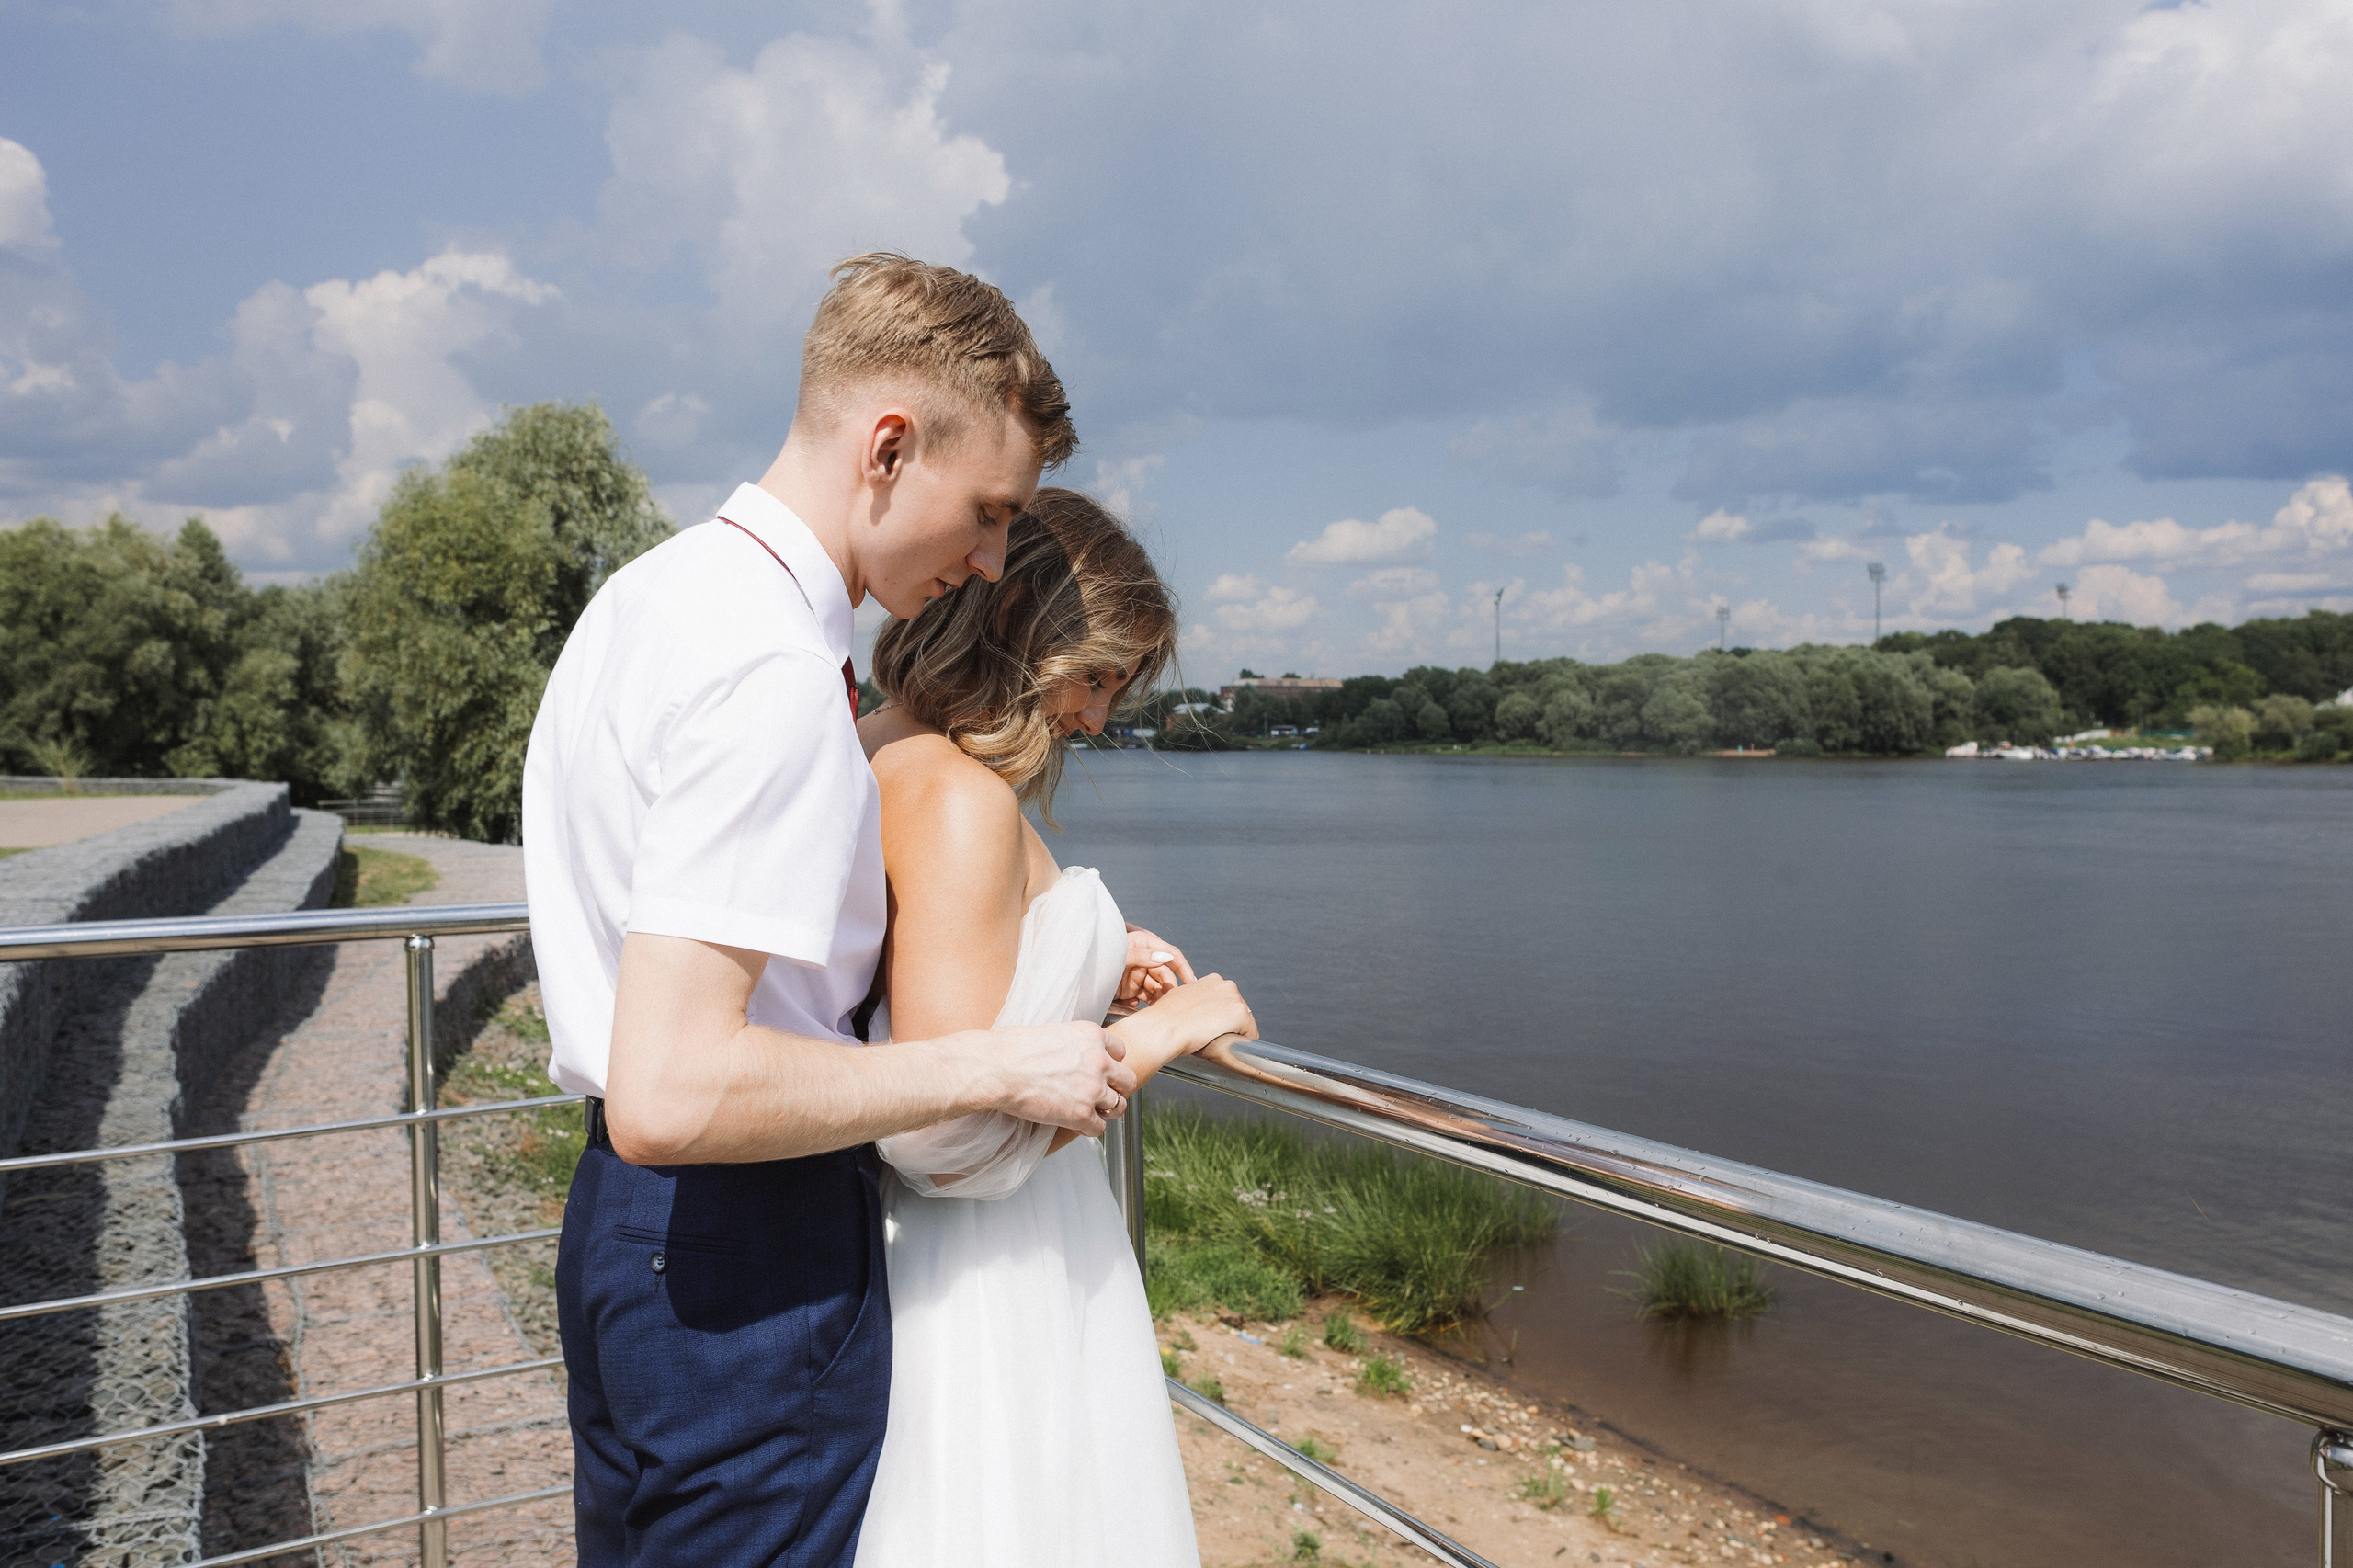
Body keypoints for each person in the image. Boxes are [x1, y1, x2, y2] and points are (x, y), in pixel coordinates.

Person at [521, 256, 1140, 1567]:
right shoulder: (769, 667)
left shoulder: (645, 598)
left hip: (625, 1230)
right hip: (749, 1255)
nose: (990, 561)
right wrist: (995, 1063)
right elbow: (674, 1090)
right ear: (888, 447)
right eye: (987, 512)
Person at [852, 490, 1256, 1567]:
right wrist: (1162, 1032)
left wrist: (1078, 962)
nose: (1097, 717)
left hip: (966, 1258)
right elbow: (943, 1137)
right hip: (996, 1275)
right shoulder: (959, 797)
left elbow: (931, 989)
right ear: (1017, 619)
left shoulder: (881, 748)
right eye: (1097, 675)